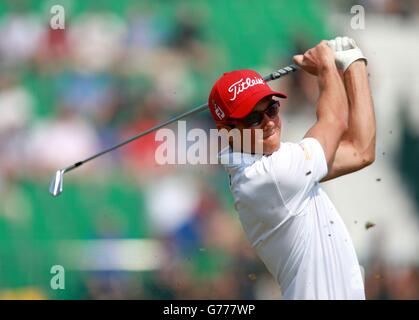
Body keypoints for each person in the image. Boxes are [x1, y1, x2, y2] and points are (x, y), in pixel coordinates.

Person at [207, 36, 376, 299]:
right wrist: (326, 67)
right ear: (227, 131)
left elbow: (360, 151)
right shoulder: (270, 177)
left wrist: (355, 63)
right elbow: (334, 120)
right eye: (253, 118)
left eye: (272, 108)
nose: (269, 122)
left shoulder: (266, 163)